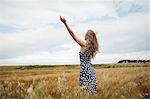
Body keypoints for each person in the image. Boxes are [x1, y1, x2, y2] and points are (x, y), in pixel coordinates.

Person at [60, 16, 99, 94]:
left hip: (85, 72)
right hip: (91, 72)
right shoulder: (92, 48)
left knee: (84, 94)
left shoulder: (84, 45)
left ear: (88, 36)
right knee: (91, 94)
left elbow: (72, 34)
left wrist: (65, 23)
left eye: (86, 33)